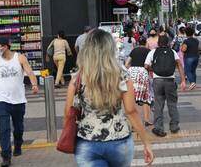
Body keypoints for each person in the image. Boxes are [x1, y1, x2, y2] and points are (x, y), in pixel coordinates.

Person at [64, 29, 154, 166]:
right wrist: (146, 142)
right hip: (119, 140)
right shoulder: (122, 74)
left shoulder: (78, 77)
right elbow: (130, 111)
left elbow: (67, 112)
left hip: (87, 142)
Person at [0, 36, 39, 167]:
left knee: (18, 128)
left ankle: (18, 144)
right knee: (4, 128)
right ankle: (6, 156)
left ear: (6, 46)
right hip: (1, 99)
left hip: (18, 100)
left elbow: (30, 72)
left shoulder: (20, 58)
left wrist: (34, 84)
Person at [145, 35, 186, 137]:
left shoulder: (153, 52)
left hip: (157, 81)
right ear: (168, 43)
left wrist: (153, 70)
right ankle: (174, 126)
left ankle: (158, 127)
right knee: (172, 103)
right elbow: (179, 65)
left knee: (158, 104)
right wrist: (183, 80)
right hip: (170, 81)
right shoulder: (172, 52)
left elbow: (146, 66)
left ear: (158, 43)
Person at [125, 37, 153, 127]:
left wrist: (130, 70)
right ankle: (146, 119)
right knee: (145, 97)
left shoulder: (134, 50)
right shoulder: (148, 51)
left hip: (132, 72)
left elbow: (126, 64)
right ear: (146, 43)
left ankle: (134, 122)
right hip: (143, 72)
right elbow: (149, 65)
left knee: (133, 97)